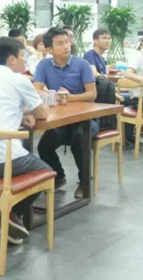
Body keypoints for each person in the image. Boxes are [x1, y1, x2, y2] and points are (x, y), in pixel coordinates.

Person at [0, 37, 51, 245]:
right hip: (2, 161)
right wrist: (28, 112)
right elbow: (41, 113)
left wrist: (20, 114)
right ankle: (8, 215)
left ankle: (6, 216)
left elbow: (1, 105)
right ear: (11, 59)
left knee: (22, 160)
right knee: (46, 173)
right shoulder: (20, 80)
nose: (25, 60)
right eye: (22, 55)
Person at [34, 27, 97, 198]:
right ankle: (59, 176)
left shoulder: (82, 64)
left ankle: (85, 181)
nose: (66, 46)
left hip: (86, 118)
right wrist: (46, 94)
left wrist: (69, 98)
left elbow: (92, 94)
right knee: (44, 145)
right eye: (60, 43)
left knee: (79, 138)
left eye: (67, 42)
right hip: (62, 118)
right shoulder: (44, 65)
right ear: (49, 49)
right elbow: (36, 88)